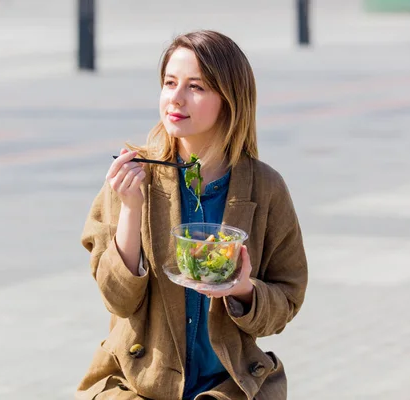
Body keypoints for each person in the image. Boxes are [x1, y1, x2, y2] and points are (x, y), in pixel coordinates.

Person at [76, 30, 308, 400]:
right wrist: (132, 209)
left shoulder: (265, 188)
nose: (176, 99)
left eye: (196, 87)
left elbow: (287, 300)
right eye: (170, 83)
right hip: (136, 384)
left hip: (228, 386)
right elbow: (117, 300)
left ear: (229, 100)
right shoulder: (133, 176)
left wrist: (243, 290)